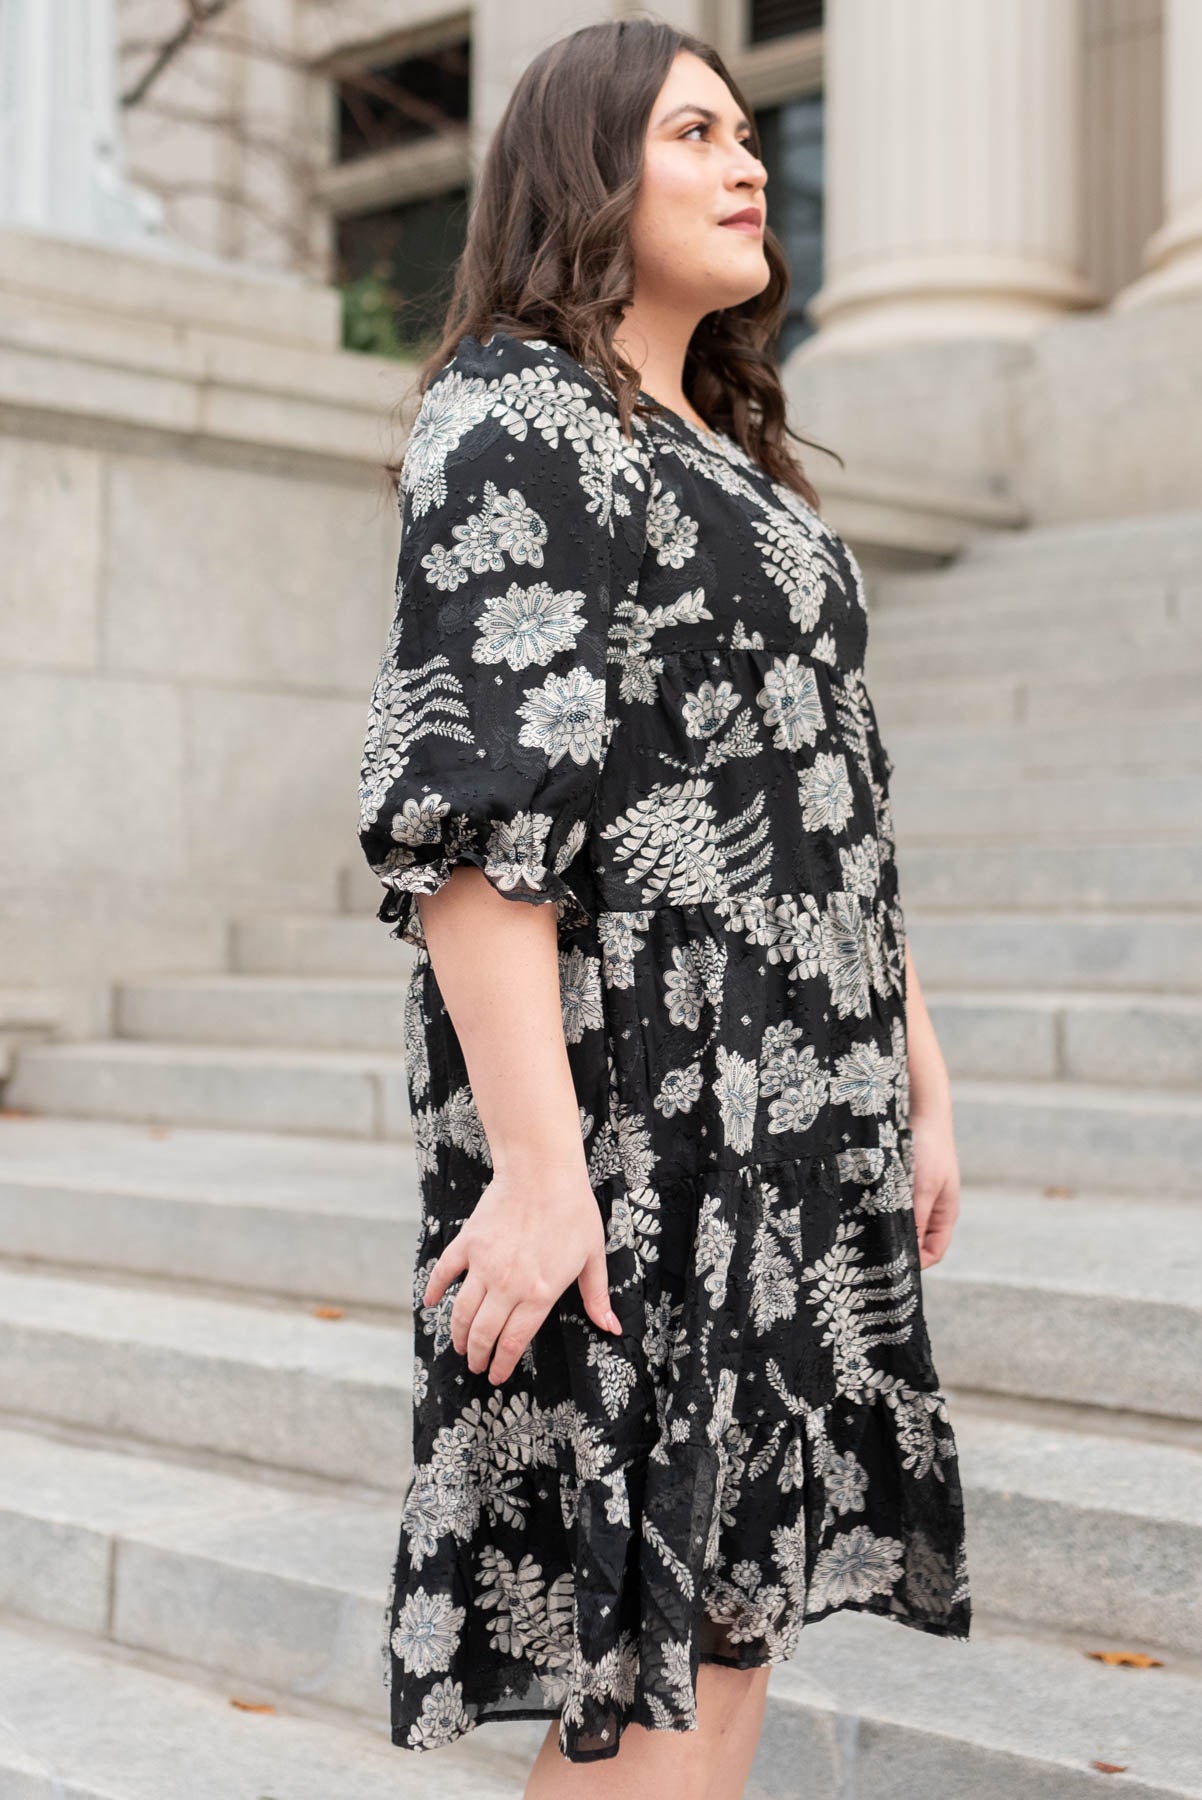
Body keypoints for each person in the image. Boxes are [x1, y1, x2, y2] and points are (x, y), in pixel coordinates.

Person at [356, 17, 971, 1796]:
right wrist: (546, 1176)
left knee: (721, 1630)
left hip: (800, 1102)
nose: (747, 159)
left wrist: (914, 1070)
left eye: (750, 127)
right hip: (645, 1109)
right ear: (584, 171)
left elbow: (827, 786)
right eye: (693, 130)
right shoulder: (516, 408)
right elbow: (468, 816)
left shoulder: (719, 448)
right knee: (656, 1642)